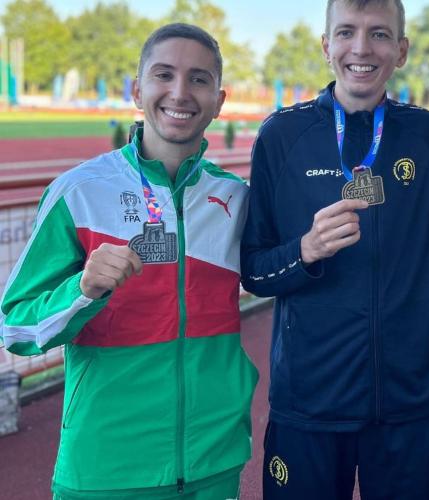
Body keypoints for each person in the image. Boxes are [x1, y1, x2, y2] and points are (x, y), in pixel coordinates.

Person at [0, 23, 257, 499]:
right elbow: (14, 328)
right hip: (106, 468)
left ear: (219, 101)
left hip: (214, 462)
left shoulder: (236, 197)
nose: (180, 92)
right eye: (164, 75)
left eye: (199, 79)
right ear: (138, 91)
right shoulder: (78, 193)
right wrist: (82, 290)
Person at [240, 1, 429, 498]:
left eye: (379, 34)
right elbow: (254, 271)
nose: (361, 48)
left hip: (409, 404)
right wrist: (305, 251)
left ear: (401, 51)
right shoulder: (282, 135)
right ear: (327, 47)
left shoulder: (426, 135)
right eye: (346, 32)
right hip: (309, 404)